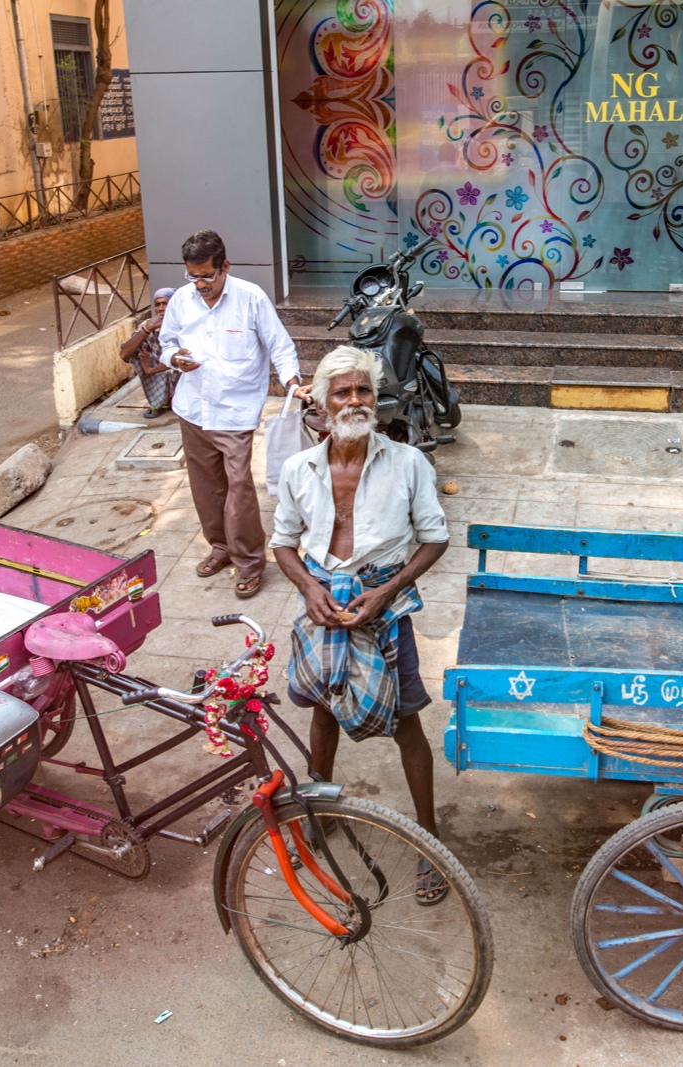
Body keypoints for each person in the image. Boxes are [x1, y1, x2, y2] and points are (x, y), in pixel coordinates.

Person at [269, 345, 452, 903]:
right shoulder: (298, 469)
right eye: (342, 392)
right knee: (323, 713)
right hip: (326, 601)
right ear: (322, 405)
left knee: (406, 719)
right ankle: (320, 812)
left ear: (377, 399)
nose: (354, 401)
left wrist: (386, 591)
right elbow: (282, 544)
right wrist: (309, 587)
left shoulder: (408, 462)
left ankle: (430, 841)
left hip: (384, 603)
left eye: (363, 390)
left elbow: (435, 537)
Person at [159, 230, 302, 599]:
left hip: (235, 413)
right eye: (193, 276)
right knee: (206, 488)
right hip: (192, 409)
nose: (200, 284)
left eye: (207, 275)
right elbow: (166, 342)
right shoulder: (182, 301)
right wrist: (174, 358)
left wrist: (292, 383)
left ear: (225, 266)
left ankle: (250, 563)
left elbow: (280, 346)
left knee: (238, 489)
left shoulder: (251, 298)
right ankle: (220, 548)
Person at [119, 287, 177, 417]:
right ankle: (161, 402)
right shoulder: (149, 324)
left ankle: (174, 400)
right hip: (162, 369)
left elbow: (185, 358)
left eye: (165, 303)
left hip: (180, 370)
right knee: (138, 351)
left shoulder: (184, 324)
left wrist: (151, 369)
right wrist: (146, 329)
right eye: (158, 304)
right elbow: (124, 354)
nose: (161, 308)